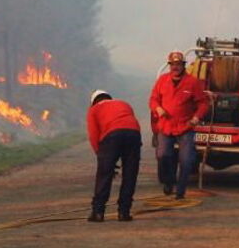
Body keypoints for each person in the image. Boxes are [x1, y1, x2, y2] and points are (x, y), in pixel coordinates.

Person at [149, 50, 209, 199]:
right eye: (173, 64)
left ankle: (180, 191)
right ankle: (168, 182)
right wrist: (158, 108)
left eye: (178, 64)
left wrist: (196, 117)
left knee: (187, 159)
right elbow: (153, 99)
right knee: (162, 155)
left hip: (185, 126)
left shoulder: (192, 82)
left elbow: (203, 103)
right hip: (166, 126)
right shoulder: (162, 81)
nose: (175, 67)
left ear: (183, 65)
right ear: (169, 65)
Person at [86, 89, 142, 222]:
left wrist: (102, 157)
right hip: (133, 134)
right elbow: (130, 121)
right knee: (130, 174)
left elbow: (94, 135)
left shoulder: (94, 110)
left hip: (111, 135)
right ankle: (124, 212)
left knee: (104, 175)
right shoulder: (124, 104)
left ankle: (98, 212)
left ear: (94, 102)